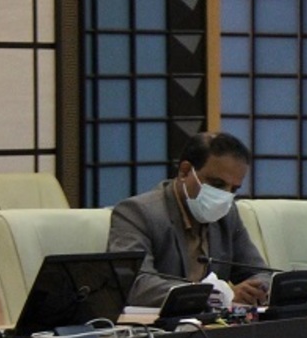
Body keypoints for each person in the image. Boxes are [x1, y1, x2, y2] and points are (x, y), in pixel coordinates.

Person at [107, 131, 269, 306]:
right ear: (185, 172)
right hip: (159, 322)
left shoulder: (227, 214)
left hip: (213, 321)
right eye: (217, 184)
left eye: (234, 189)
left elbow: (260, 273)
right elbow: (134, 284)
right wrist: (217, 295)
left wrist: (258, 289)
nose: (225, 195)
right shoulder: (137, 213)